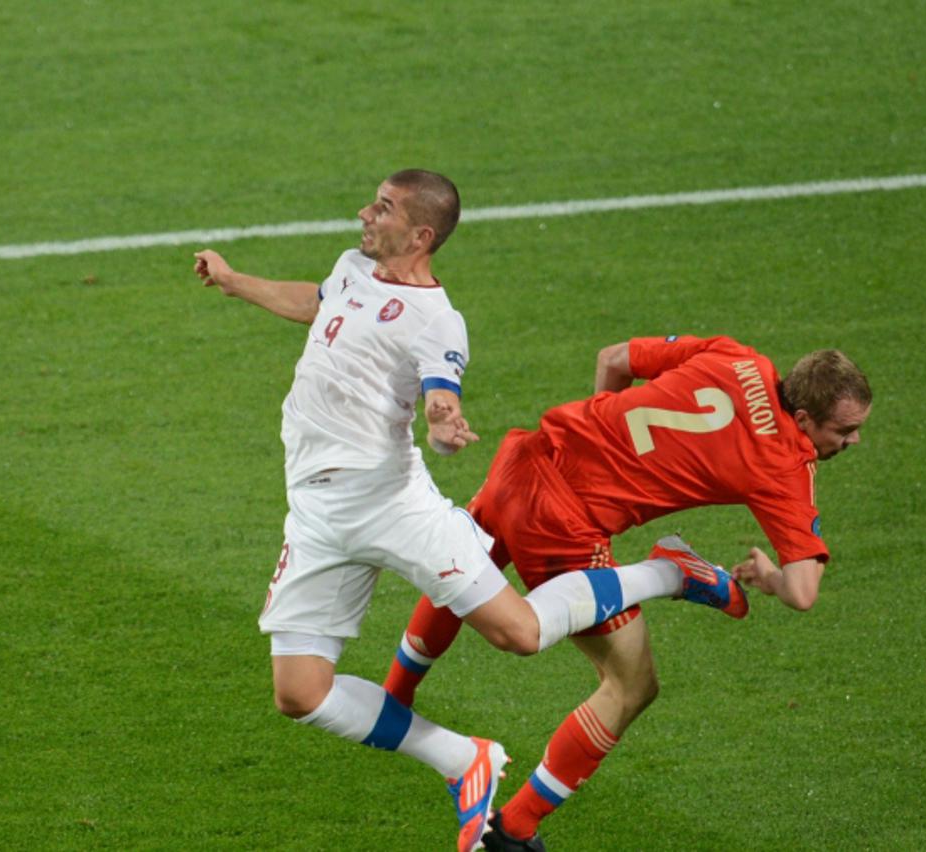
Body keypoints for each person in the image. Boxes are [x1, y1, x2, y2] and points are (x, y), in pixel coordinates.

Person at [190, 170, 745, 851]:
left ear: (420, 235)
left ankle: (673, 572)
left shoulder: (438, 320)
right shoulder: (352, 268)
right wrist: (235, 281)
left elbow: (440, 389)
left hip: (390, 504)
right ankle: (464, 760)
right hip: (314, 510)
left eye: (383, 208)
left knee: (520, 633)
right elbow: (320, 302)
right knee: (300, 692)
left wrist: (443, 423)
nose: (365, 213)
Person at [379, 334, 873, 851]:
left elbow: (613, 359)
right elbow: (802, 592)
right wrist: (769, 576)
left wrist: (601, 431)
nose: (854, 440)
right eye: (844, 430)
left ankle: (393, 701)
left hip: (526, 456)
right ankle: (515, 829)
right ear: (802, 420)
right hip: (561, 524)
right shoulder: (785, 460)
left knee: (465, 574)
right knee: (631, 684)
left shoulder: (737, 356)